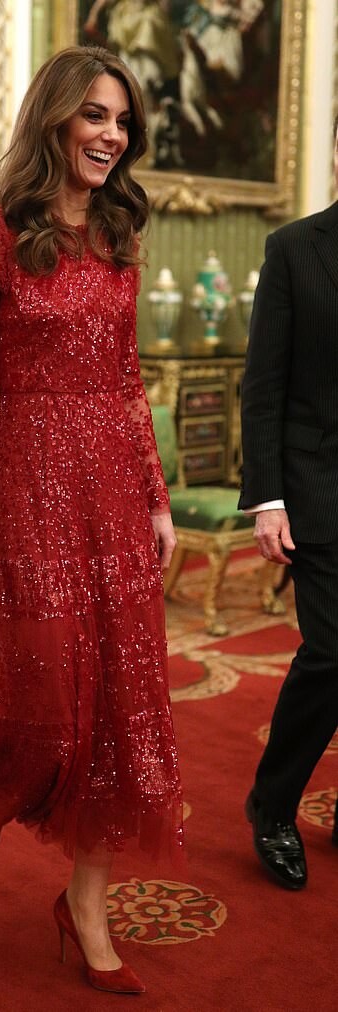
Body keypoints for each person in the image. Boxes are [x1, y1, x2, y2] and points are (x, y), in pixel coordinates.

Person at [0, 46, 183, 994]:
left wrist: (155, 496)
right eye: (95, 115)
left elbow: (128, 380)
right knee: (41, 697)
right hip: (29, 489)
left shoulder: (119, 233)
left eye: (123, 120)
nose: (112, 135)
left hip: (114, 495)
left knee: (123, 707)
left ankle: (87, 906)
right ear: (54, 118)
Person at [238, 116, 338, 890]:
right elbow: (263, 385)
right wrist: (267, 497)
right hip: (315, 487)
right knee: (332, 653)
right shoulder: (294, 249)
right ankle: (273, 806)